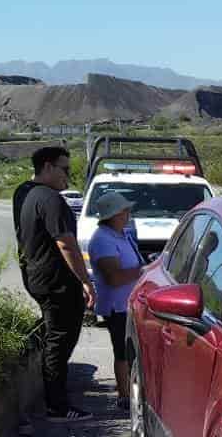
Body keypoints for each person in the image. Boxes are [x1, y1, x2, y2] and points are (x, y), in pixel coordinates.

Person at [17, 146, 95, 421]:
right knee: (59, 340)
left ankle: (57, 400)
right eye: (64, 169)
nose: (68, 176)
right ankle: (57, 406)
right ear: (48, 167)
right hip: (55, 281)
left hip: (40, 278)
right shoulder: (50, 199)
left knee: (57, 339)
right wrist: (86, 281)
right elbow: (66, 244)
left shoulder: (28, 194)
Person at [87, 191, 147, 412]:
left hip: (128, 305)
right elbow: (113, 277)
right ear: (113, 215)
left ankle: (130, 392)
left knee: (129, 351)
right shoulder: (103, 240)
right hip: (117, 307)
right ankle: (123, 396)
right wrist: (144, 271)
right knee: (122, 351)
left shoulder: (120, 235)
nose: (128, 214)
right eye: (123, 211)